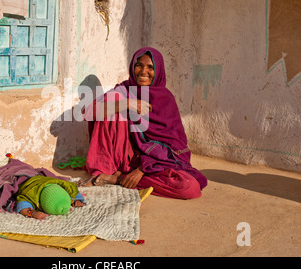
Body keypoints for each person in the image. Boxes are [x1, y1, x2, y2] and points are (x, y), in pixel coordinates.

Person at [80, 47, 207, 199]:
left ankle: (119, 179)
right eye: (138, 65)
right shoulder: (124, 91)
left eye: (150, 67)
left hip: (152, 162)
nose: (143, 71)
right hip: (124, 159)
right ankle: (105, 171)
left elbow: (173, 147)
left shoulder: (166, 99)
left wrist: (141, 169)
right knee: (110, 107)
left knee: (189, 187)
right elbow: (87, 113)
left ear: (158, 71)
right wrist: (127, 103)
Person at [16, 175, 85, 220]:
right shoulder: (30, 195)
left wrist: (77, 199)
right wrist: (32, 213)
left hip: (46, 179)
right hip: (28, 180)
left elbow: (74, 190)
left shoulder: (65, 186)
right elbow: (21, 205)